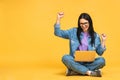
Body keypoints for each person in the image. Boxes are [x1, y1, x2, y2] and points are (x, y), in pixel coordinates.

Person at [54, 12, 107, 77]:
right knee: (65, 58)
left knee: (102, 61)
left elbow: (100, 52)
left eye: (85, 23)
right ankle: (89, 72)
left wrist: (103, 41)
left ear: (89, 22)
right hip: (75, 61)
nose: (83, 25)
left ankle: (75, 71)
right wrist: (58, 18)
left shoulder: (95, 36)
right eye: (81, 23)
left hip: (89, 63)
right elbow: (58, 33)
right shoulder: (73, 32)